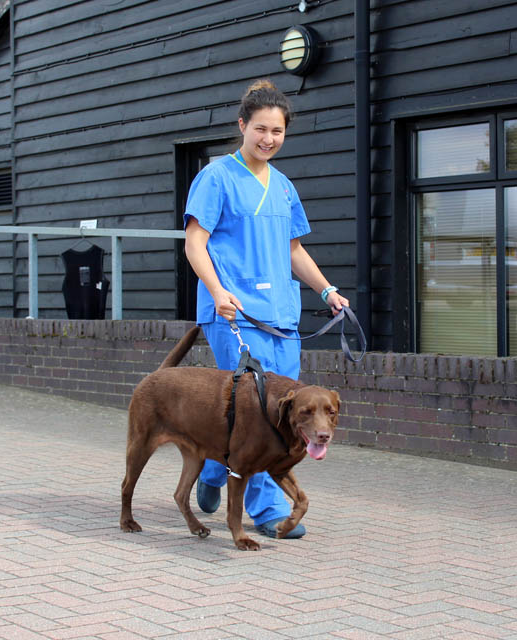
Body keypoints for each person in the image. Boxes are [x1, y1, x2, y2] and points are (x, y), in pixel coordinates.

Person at [183, 79, 349, 539]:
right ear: (242, 125)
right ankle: (268, 507)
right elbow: (195, 242)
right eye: (260, 129)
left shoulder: (284, 187)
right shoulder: (215, 177)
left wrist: (325, 290)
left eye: (277, 132)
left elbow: (293, 250)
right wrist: (217, 291)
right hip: (234, 313)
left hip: (281, 317)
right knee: (255, 409)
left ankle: (215, 469)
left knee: (284, 411)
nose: (268, 139)